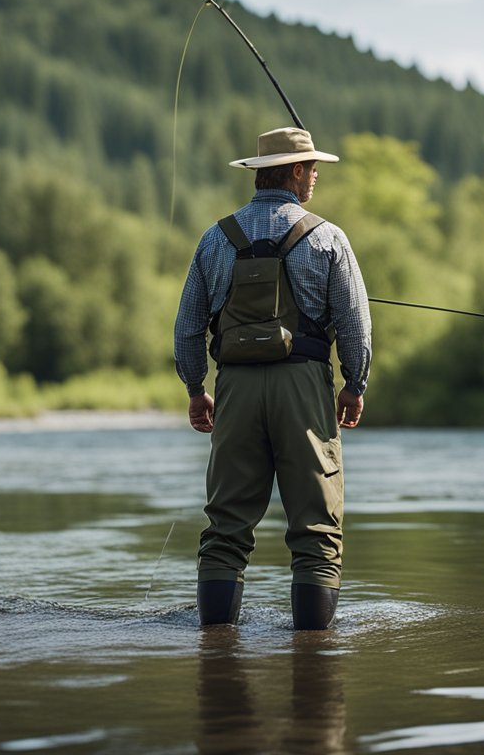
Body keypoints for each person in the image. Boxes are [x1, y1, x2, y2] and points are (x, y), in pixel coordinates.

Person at [174, 126, 372, 630]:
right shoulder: (328, 237)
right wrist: (355, 383)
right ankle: (316, 661)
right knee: (316, 529)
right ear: (295, 172)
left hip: (236, 388)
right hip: (303, 387)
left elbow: (188, 327)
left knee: (225, 527)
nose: (316, 176)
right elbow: (354, 323)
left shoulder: (215, 238)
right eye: (312, 168)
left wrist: (197, 390)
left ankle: (215, 651)